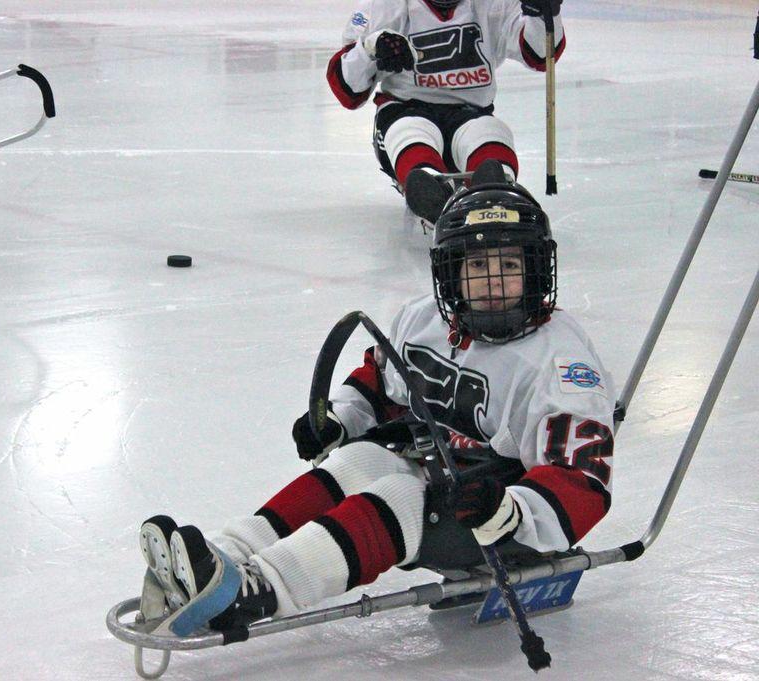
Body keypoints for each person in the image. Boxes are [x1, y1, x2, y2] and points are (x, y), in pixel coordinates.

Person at [136, 181, 614, 638]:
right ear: (450, 272)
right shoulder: (423, 318)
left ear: (536, 270)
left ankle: (258, 590)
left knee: (402, 496)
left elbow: (582, 484)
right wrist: (339, 420)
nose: (492, 282)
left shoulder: (562, 364)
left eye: (509, 265)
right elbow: (383, 385)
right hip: (440, 472)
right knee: (356, 461)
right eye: (477, 266)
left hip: (498, 516)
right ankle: (227, 557)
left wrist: (506, 511)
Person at [325, 0, 565, 229]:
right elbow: (348, 91)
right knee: (409, 131)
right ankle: (427, 183)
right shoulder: (386, 6)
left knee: (489, 133)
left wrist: (542, 15)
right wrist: (371, 49)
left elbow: (541, 56)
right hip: (405, 109)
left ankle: (495, 187)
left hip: (471, 113)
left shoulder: (493, 5)